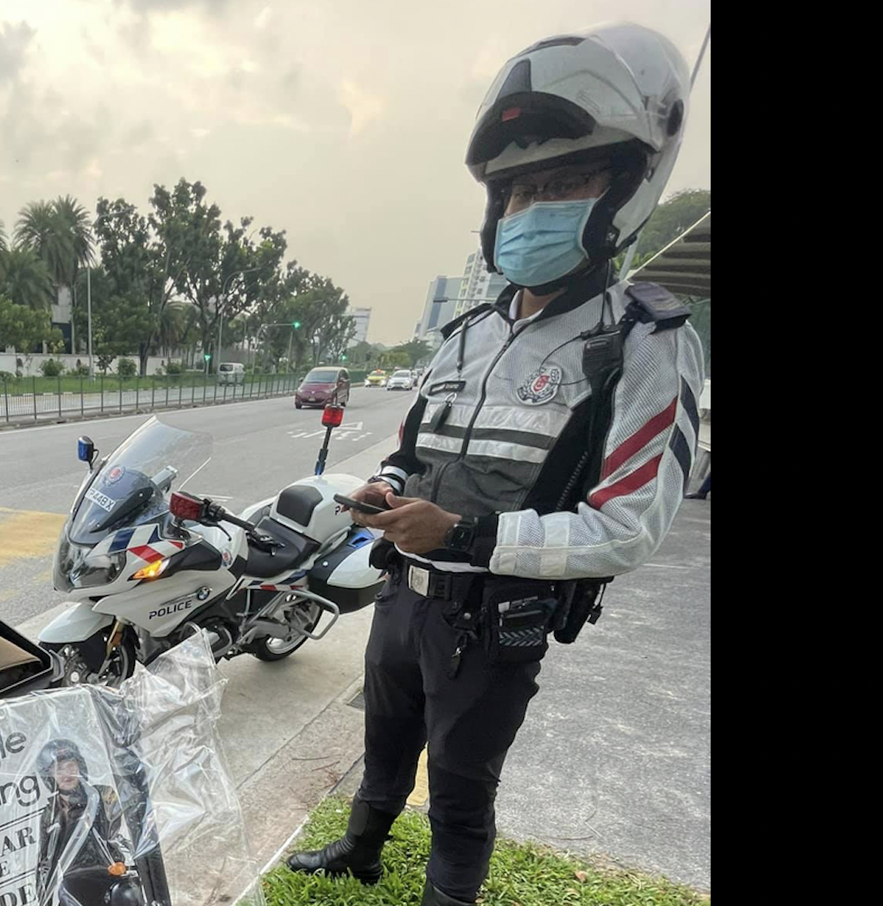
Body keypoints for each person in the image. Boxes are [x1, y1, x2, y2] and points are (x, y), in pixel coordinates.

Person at [285, 24, 705, 906]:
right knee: (386, 739)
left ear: (620, 190)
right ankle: (361, 849)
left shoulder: (641, 342)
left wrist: (466, 534)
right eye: (515, 192)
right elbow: (413, 450)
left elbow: (627, 528)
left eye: (564, 182)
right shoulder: (467, 333)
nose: (530, 210)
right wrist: (388, 489)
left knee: (463, 787)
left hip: (494, 618)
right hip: (404, 593)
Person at [35, 739, 134, 906]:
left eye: (71, 766)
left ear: (79, 766)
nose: (67, 773)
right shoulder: (51, 815)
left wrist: (126, 862)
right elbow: (45, 863)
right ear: (49, 775)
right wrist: (45, 902)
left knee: (128, 895)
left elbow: (117, 835)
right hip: (76, 884)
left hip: (113, 875)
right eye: (59, 769)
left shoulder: (103, 795)